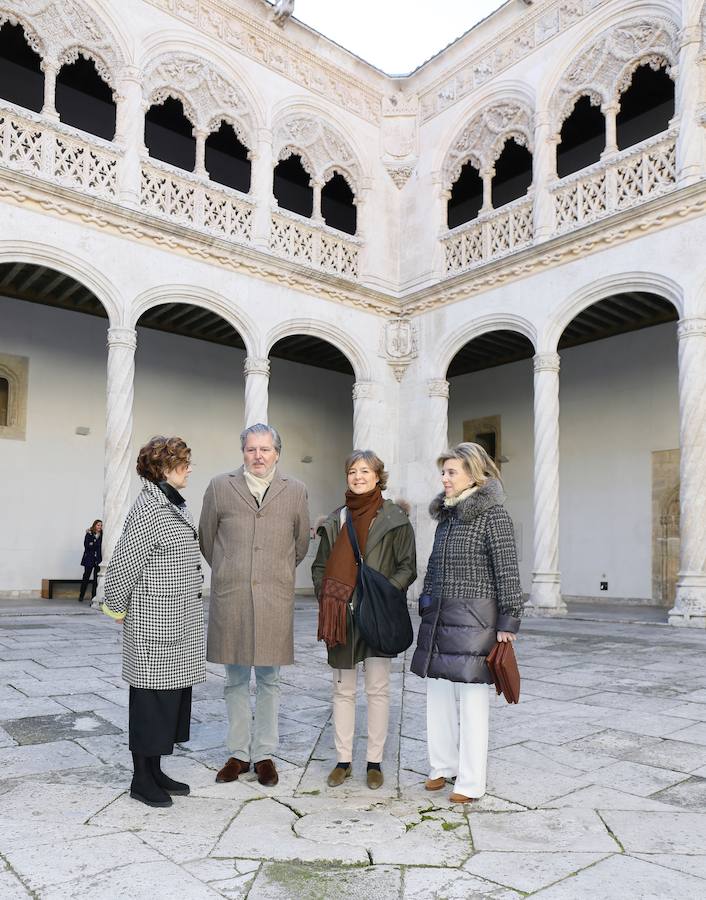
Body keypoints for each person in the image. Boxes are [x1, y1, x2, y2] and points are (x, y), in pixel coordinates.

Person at [410, 442, 524, 803]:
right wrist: (426, 602)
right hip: (441, 617)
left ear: (473, 474)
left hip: (476, 620)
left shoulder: (494, 515)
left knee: (473, 700)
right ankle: (442, 766)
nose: (444, 478)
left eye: (451, 472)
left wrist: (508, 622)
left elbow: (507, 572)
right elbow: (433, 565)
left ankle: (471, 781)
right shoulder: (447, 515)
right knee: (438, 693)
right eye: (443, 472)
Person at [199, 423, 310, 788]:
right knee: (233, 679)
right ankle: (237, 753)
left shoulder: (295, 491)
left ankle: (263, 754)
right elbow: (207, 537)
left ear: (277, 452)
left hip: (274, 598)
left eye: (265, 449)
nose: (258, 456)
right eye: (251, 449)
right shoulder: (220, 486)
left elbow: (300, 544)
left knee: (269, 680)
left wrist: (271, 573)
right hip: (232, 597)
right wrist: (234, 570)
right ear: (243, 452)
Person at [103, 436, 205, 808]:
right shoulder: (149, 507)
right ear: (163, 467)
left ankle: (156, 770)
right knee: (150, 703)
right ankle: (140, 780)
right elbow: (125, 562)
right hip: (154, 625)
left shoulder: (172, 503)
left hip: (178, 623)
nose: (190, 468)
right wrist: (115, 607)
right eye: (184, 462)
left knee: (168, 702)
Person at [312, 450, 416, 790]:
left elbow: (408, 566)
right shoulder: (335, 519)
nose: (358, 476)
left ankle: (374, 762)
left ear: (378, 477)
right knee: (342, 691)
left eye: (365, 471)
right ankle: (343, 760)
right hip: (341, 616)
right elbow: (320, 565)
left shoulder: (394, 518)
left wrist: (386, 593)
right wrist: (328, 598)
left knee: (378, 689)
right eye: (353, 471)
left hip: (377, 614)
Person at [78, 519, 102, 602]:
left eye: (101, 525)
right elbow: (87, 545)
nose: (100, 527)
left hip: (98, 560)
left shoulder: (103, 535)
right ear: (95, 525)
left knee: (96, 580)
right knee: (86, 578)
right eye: (98, 525)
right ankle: (81, 595)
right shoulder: (89, 534)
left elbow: (96, 546)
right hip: (89, 559)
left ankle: (94, 597)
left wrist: (93, 543)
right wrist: (94, 544)